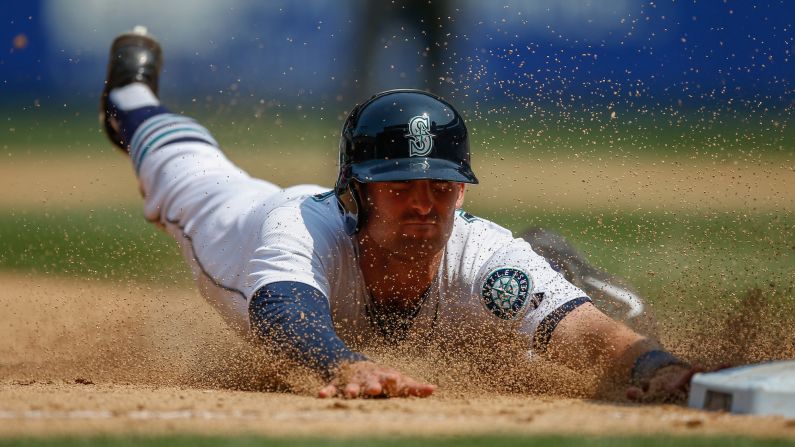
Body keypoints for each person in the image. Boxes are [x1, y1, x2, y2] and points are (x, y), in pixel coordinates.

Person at [101, 27, 693, 401]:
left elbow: (591, 335)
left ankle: (555, 271)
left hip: (452, 293)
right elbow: (283, 311)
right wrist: (342, 363)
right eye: (398, 187)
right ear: (355, 192)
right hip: (240, 220)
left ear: (462, 194)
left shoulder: (481, 249)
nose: (421, 205)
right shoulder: (299, 228)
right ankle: (130, 97)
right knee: (188, 170)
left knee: (528, 327)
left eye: (440, 187)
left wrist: (653, 363)